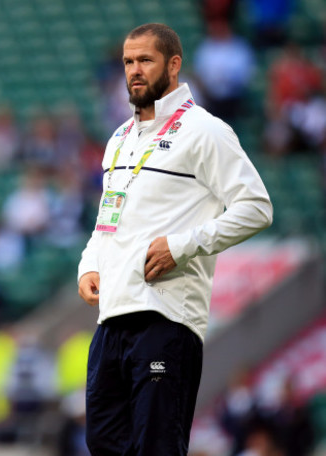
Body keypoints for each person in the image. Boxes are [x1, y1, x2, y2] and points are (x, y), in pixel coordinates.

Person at [77, 24, 273, 455]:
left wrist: (182, 246)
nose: (134, 71)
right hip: (112, 317)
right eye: (128, 62)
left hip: (166, 317)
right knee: (102, 443)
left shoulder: (206, 130)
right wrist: (88, 264)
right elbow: (107, 220)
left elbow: (257, 207)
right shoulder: (119, 139)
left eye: (145, 60)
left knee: (157, 447)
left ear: (174, 63)